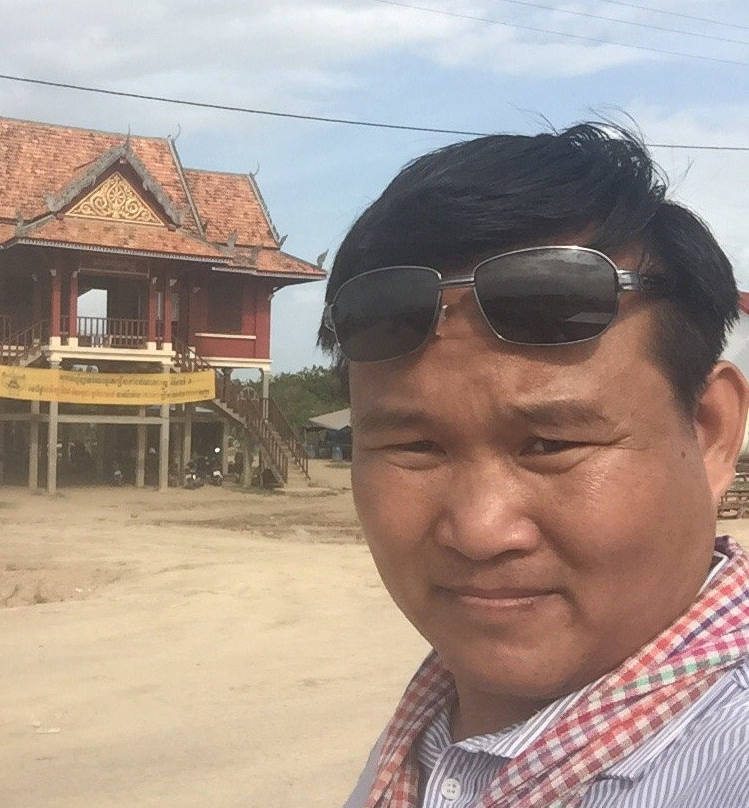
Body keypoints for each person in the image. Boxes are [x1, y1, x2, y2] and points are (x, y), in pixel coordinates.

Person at [320, 125, 749, 808]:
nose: (480, 531)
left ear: (710, 435)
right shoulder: (434, 731)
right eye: (415, 448)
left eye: (549, 445)